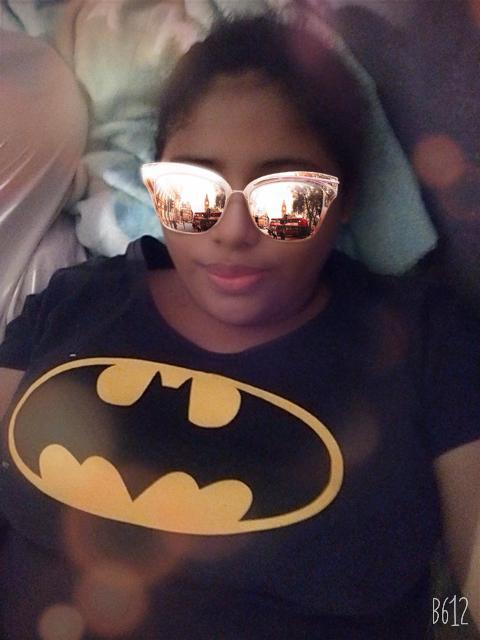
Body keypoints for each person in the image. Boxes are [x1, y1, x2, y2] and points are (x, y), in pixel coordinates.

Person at [0, 14, 479, 640]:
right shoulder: (74, 302)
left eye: (287, 198)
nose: (232, 231)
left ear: (346, 198)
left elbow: (466, 603)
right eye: (191, 190)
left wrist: (443, 622)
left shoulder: (423, 339)